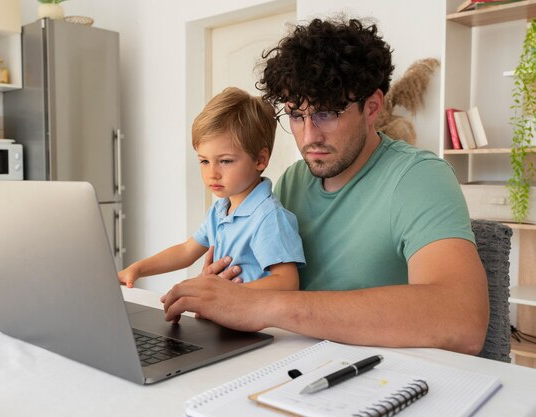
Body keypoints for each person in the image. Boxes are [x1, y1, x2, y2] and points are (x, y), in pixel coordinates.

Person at [161, 17, 489, 355]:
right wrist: (226, 288)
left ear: (372, 107)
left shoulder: (419, 178)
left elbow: (461, 320)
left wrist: (263, 306)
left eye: (326, 113)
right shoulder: (291, 181)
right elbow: (259, 281)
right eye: (296, 115)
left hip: (376, 378)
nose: (309, 136)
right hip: (286, 362)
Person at [119, 87, 305, 290]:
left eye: (225, 161)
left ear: (260, 160)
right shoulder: (219, 212)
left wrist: (225, 293)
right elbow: (185, 251)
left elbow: (287, 282)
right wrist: (137, 269)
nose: (212, 173)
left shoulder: (268, 217)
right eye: (204, 161)